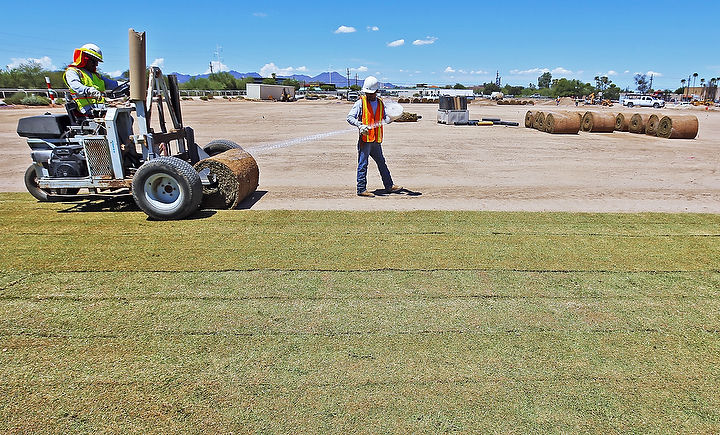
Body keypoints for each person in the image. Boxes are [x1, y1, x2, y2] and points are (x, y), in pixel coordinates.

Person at [346, 76, 402, 197]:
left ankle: (389, 186)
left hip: (376, 140)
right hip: (365, 140)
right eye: (367, 92)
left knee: (382, 163)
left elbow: (384, 118)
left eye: (371, 93)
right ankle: (361, 189)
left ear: (376, 92)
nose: (369, 95)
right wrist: (360, 125)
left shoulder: (381, 103)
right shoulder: (360, 103)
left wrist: (392, 117)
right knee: (363, 164)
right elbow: (349, 117)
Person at [63, 43, 118, 117]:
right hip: (85, 109)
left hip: (99, 107)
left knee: (125, 115)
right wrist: (89, 90)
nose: (96, 65)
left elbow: (114, 84)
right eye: (94, 61)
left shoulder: (96, 75)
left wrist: (131, 84)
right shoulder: (73, 71)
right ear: (85, 59)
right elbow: (75, 85)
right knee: (113, 116)